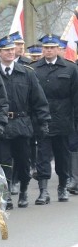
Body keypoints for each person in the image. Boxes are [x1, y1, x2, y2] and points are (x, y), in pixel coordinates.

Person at [0, 35, 50, 208]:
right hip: (1, 124)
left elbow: (38, 99)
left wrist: (44, 121)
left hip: (22, 123)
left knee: (23, 161)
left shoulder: (26, 73)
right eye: (6, 50)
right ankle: (6, 194)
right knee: (3, 161)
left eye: (12, 49)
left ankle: (23, 190)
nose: (10, 53)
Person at [29, 35, 78, 203]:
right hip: (41, 119)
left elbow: (76, 97)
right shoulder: (33, 68)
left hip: (63, 119)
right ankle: (43, 191)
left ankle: (62, 187)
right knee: (42, 155)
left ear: (58, 49)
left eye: (52, 47)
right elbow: (30, 97)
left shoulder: (70, 69)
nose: (48, 50)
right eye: (46, 47)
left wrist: (75, 121)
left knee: (63, 155)